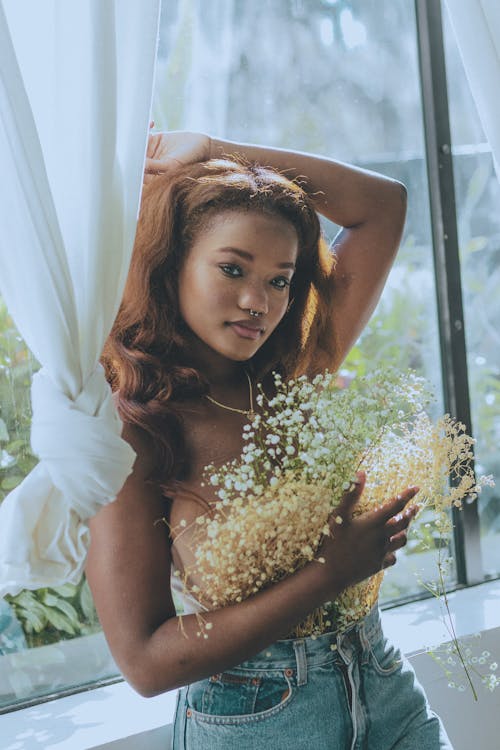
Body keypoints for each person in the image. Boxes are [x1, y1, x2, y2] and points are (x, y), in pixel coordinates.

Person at [87, 131, 453, 749]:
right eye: (232, 269)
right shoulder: (138, 429)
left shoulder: (297, 372)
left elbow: (383, 205)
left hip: (384, 687)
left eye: (281, 280)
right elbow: (146, 663)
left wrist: (208, 148)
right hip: (258, 721)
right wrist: (328, 573)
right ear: (173, 265)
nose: (257, 301)